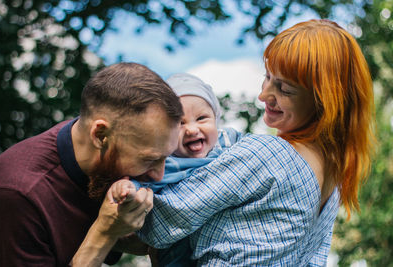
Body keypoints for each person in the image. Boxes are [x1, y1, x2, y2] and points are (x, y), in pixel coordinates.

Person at [135, 19, 376, 266]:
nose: (263, 95)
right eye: (268, 77)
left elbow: (161, 223)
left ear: (324, 102)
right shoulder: (334, 181)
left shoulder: (269, 156)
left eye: (284, 89)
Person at [0, 62, 183, 266]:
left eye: (166, 157)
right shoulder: (19, 194)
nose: (160, 175)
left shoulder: (101, 165)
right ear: (100, 136)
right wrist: (104, 233)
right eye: (150, 160)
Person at [108, 73, 242, 266]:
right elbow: (141, 183)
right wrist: (125, 189)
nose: (192, 130)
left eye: (202, 118)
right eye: (180, 123)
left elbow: (255, 151)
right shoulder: (165, 161)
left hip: (222, 235)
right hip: (176, 239)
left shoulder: (228, 142)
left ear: (216, 118)